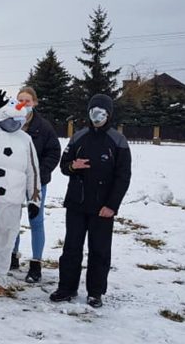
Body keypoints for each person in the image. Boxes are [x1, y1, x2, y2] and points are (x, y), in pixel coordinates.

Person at [50, 94, 131, 308]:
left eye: (101, 113)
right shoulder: (79, 137)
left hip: (102, 207)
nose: (97, 116)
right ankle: (66, 288)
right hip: (76, 203)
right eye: (94, 111)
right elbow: (64, 165)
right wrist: (72, 166)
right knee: (71, 248)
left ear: (109, 115)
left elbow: (123, 177)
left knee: (99, 250)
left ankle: (95, 292)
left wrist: (112, 205)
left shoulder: (118, 141)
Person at [0, 90, 40, 297]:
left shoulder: (26, 139)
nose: (14, 123)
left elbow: (33, 170)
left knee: (4, 240)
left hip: (11, 199)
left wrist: (34, 200)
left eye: (18, 121)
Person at [10, 87, 61, 283]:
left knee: (36, 220)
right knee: (12, 218)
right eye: (20, 100)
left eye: (27, 101)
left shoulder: (43, 127)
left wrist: (40, 172)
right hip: (14, 180)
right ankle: (12, 255)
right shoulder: (10, 123)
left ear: (35, 103)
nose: (23, 104)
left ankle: (36, 263)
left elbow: (54, 152)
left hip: (36, 183)